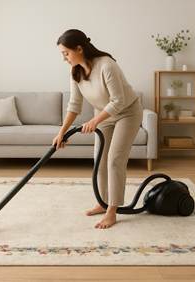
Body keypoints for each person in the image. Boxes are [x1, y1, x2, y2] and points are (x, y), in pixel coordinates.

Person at [52, 29, 143, 229]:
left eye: (66, 53)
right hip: (104, 115)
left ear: (79, 48)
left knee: (114, 160)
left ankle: (112, 210)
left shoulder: (107, 66)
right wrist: (61, 133)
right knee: (100, 160)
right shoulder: (75, 71)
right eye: (62, 54)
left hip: (127, 113)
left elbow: (118, 101)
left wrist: (94, 121)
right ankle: (102, 203)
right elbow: (74, 105)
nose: (64, 58)